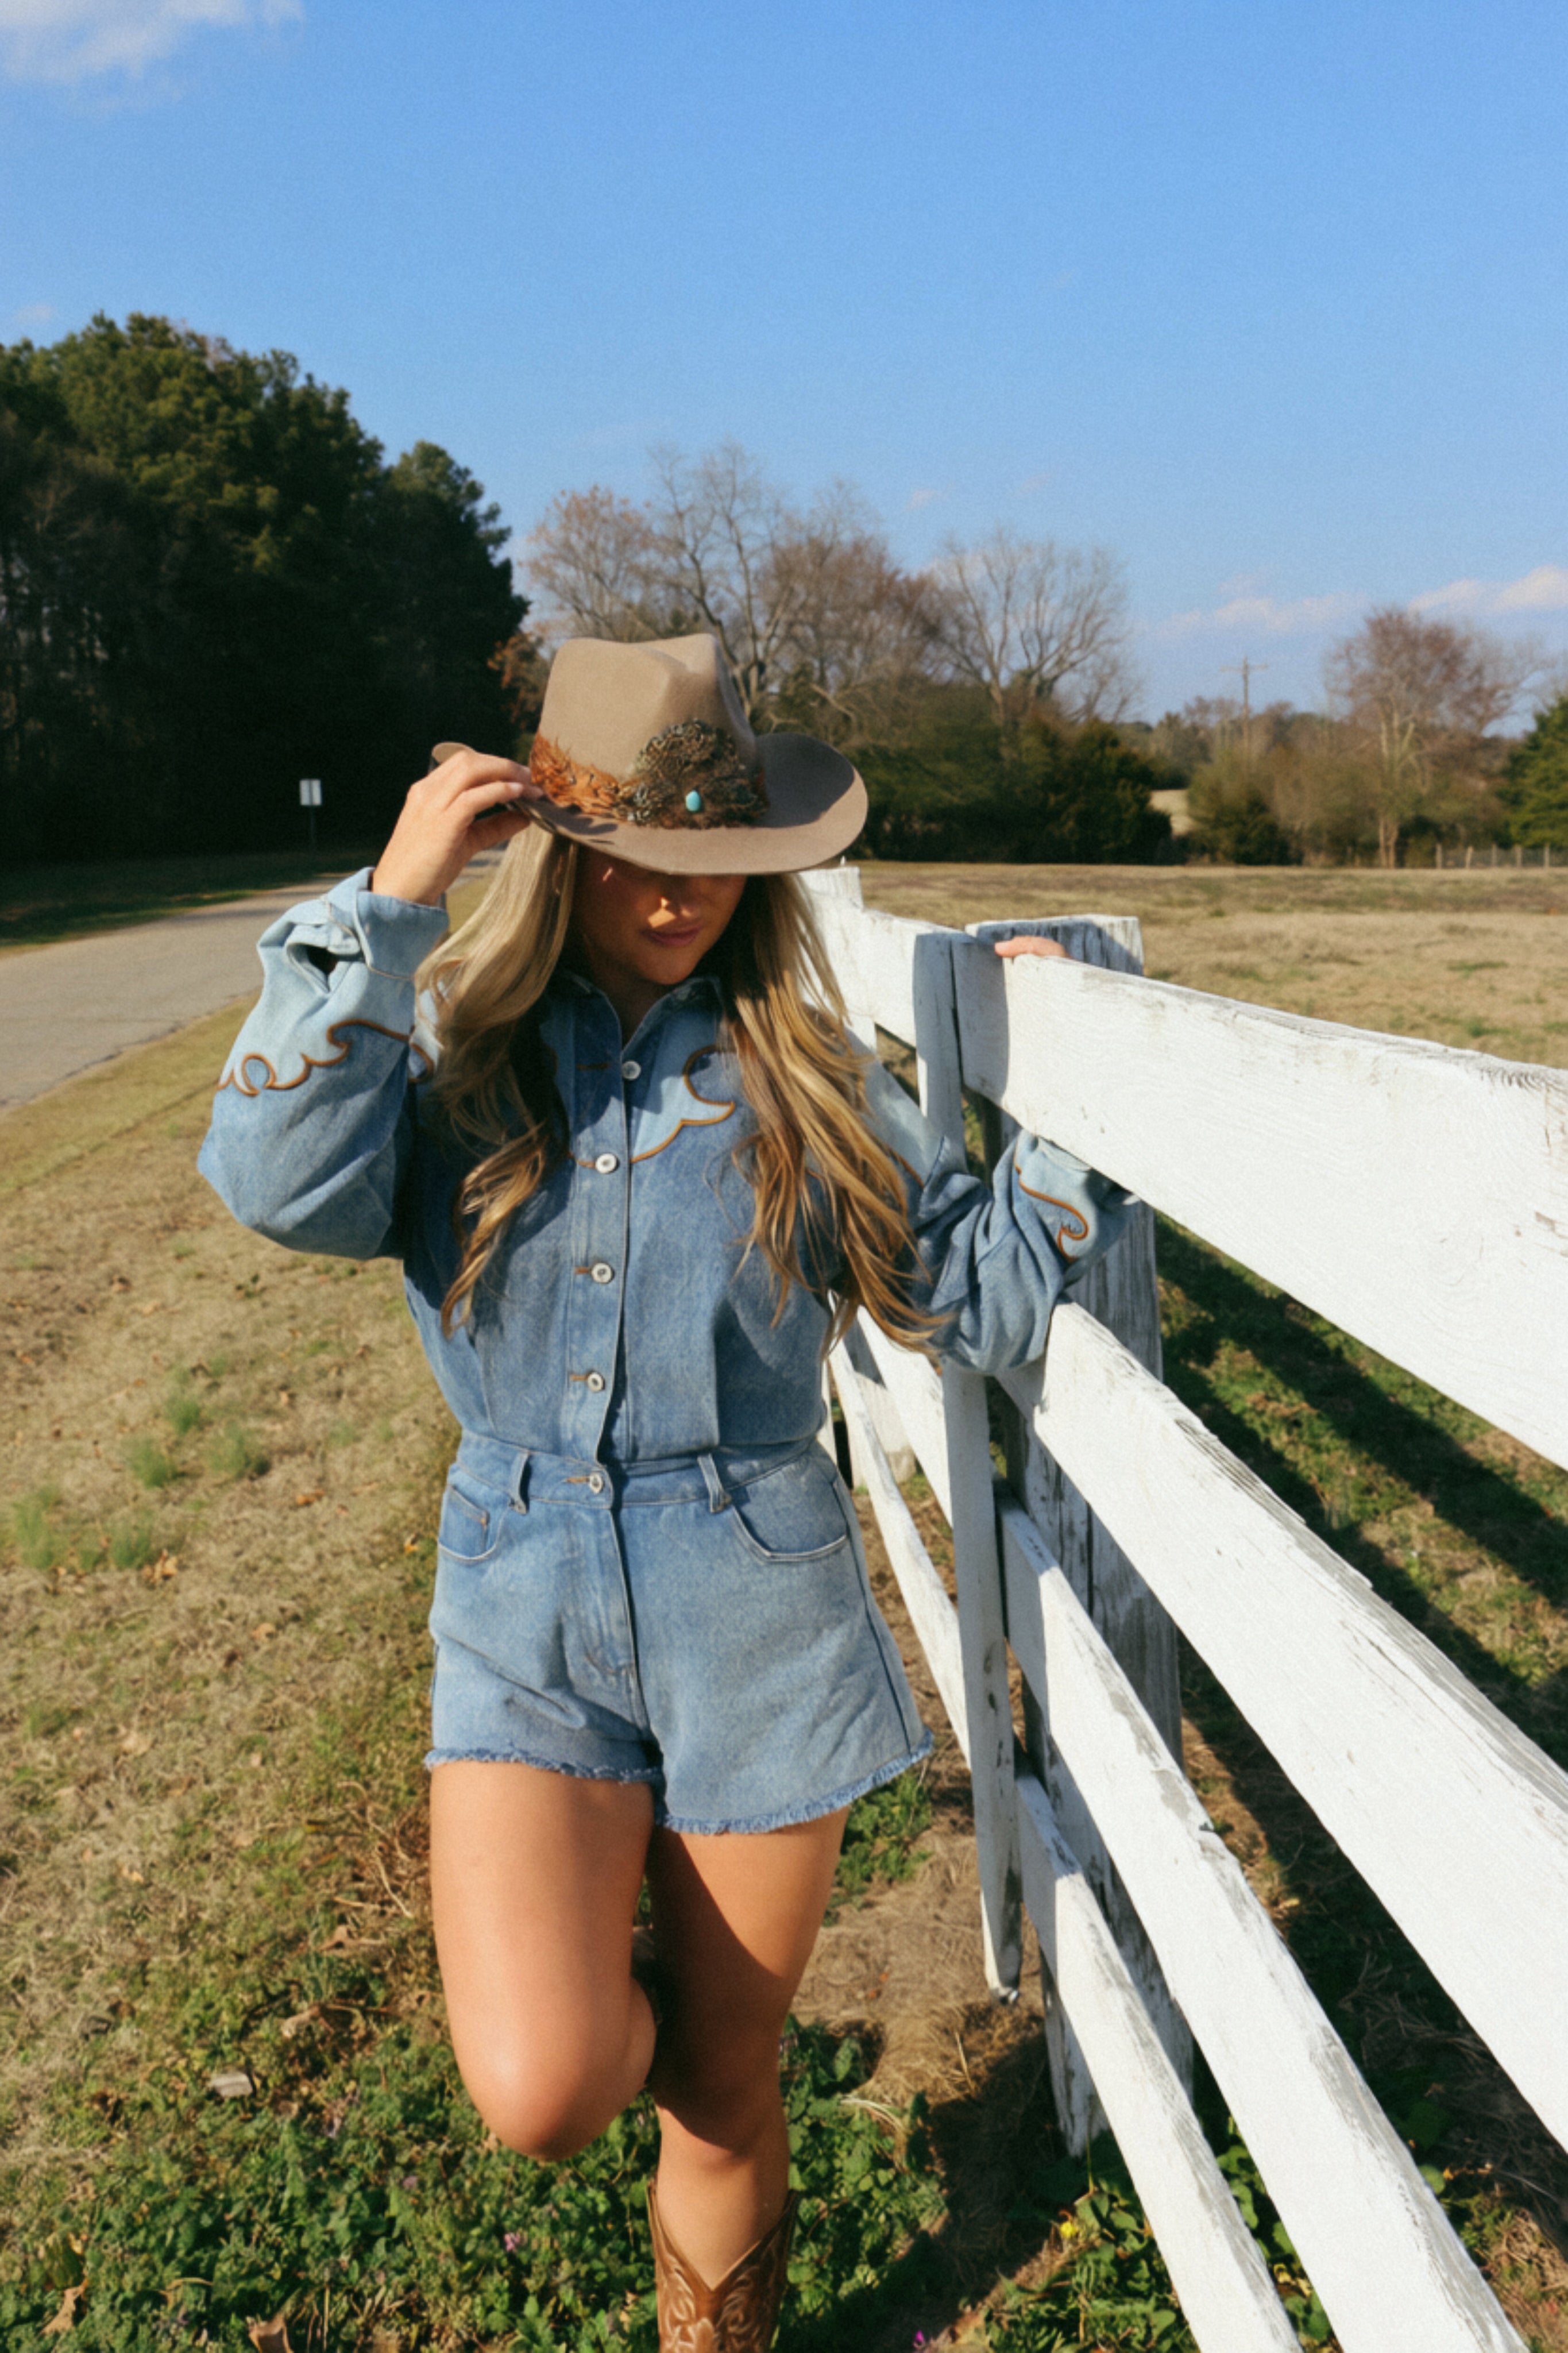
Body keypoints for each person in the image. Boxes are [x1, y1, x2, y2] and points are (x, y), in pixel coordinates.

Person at [199, 632, 1135, 2352]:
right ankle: (583, 1957)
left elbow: (981, 1301)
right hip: (519, 1606)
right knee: (544, 2090)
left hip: (756, 1615)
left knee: (721, 2088)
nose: (671, 895)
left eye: (711, 860)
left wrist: (1071, 1093)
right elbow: (271, 1185)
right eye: (630, 853)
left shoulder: (811, 1081)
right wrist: (388, 905)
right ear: (555, 849)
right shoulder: (459, 1068)